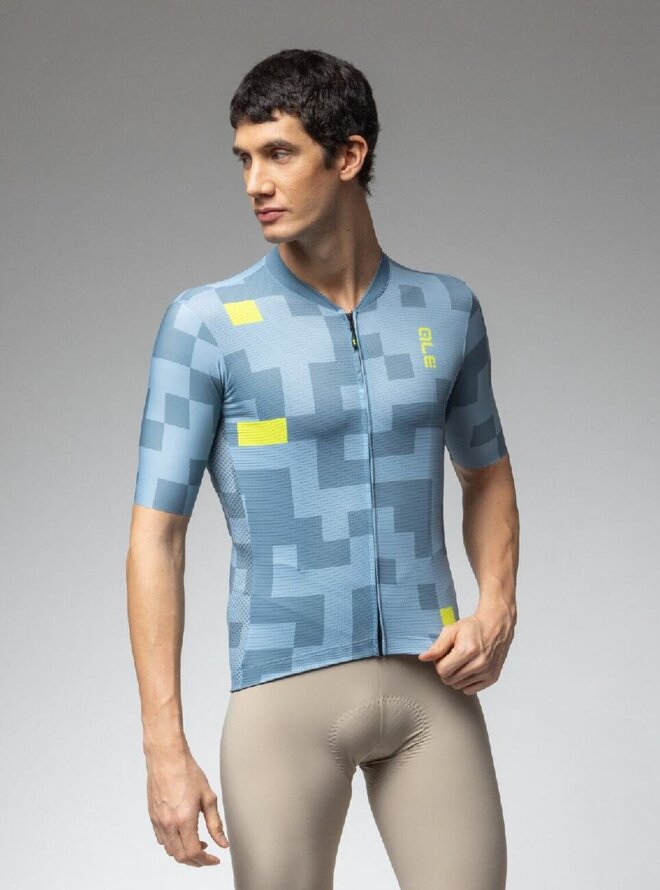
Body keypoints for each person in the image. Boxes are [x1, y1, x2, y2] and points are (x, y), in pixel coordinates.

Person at [126, 48, 519, 890]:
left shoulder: (446, 311)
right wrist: (164, 747)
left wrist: (496, 609)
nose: (254, 183)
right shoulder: (207, 325)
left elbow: (485, 473)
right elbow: (156, 539)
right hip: (284, 694)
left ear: (348, 155)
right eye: (244, 158)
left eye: (278, 153)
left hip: (432, 688)